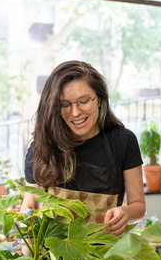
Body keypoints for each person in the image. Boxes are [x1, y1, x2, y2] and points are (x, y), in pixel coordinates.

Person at [21, 61, 145, 236]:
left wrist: (125, 213)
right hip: (51, 258)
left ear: (100, 100)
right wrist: (27, 248)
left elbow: (138, 206)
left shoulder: (123, 141)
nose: (76, 112)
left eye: (84, 101)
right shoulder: (42, 146)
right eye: (65, 104)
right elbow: (29, 205)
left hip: (105, 256)